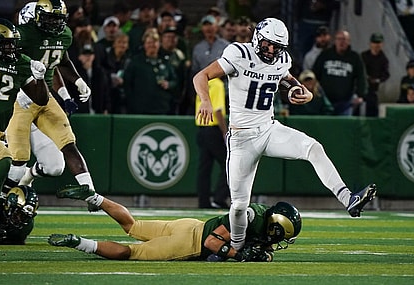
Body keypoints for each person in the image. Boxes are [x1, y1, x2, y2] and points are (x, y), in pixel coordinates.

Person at [194, 18, 377, 251]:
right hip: (241, 138)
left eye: (277, 47)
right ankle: (237, 248)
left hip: (268, 129)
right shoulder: (239, 53)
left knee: (313, 148)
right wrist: (206, 102)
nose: (272, 51)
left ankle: (347, 198)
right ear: (258, 38)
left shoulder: (281, 59)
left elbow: (290, 82)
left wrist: (305, 94)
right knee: (239, 205)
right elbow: (200, 76)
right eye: (268, 44)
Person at [5, 0, 102, 212]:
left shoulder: (64, 34)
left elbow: (61, 61)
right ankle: (1, 205)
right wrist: (18, 86)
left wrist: (77, 81)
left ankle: (91, 194)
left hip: (45, 97)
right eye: (50, 18)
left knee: (66, 147)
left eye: (58, 19)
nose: (54, 24)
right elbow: (6, 60)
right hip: (19, 99)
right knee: (17, 160)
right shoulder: (24, 34)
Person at [48, 184, 301, 261]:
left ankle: (94, 197)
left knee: (132, 226)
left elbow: (263, 248)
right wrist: (239, 255)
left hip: (189, 224)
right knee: (131, 252)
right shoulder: (251, 218)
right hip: (190, 242)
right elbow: (214, 243)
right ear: (276, 226)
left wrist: (262, 255)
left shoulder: (258, 214)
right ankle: (78, 242)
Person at [0, 18, 49, 243]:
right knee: (5, 160)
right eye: (6, 44)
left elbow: (41, 98)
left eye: (12, 43)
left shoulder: (19, 63)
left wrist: (41, 78)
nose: (11, 48)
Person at [312, 30, 368, 116]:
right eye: (339, 39)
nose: (342, 42)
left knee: (344, 126)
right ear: (335, 41)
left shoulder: (354, 57)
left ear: (348, 41)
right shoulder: (325, 55)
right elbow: (315, 73)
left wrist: (360, 95)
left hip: (345, 102)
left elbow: (361, 77)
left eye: (344, 39)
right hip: (325, 101)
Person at [123, 31, 178, 115]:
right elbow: (127, 84)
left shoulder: (166, 62)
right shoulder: (135, 62)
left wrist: (169, 84)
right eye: (149, 42)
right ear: (144, 45)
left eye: (155, 42)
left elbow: (175, 80)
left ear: (159, 44)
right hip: (140, 108)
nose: (152, 45)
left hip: (162, 107)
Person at [195, 78, 229, 209]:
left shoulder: (202, 82)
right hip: (213, 129)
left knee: (204, 169)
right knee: (228, 164)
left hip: (201, 128)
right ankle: (219, 199)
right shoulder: (218, 84)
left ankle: (203, 202)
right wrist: (224, 131)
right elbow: (218, 110)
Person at [360, 33, 390, 117]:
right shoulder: (363, 56)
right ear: (370, 44)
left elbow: (386, 74)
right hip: (361, 88)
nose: (376, 45)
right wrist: (365, 77)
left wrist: (377, 80)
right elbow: (359, 70)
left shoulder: (383, 59)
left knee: (372, 111)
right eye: (374, 42)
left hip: (373, 89)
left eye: (379, 43)